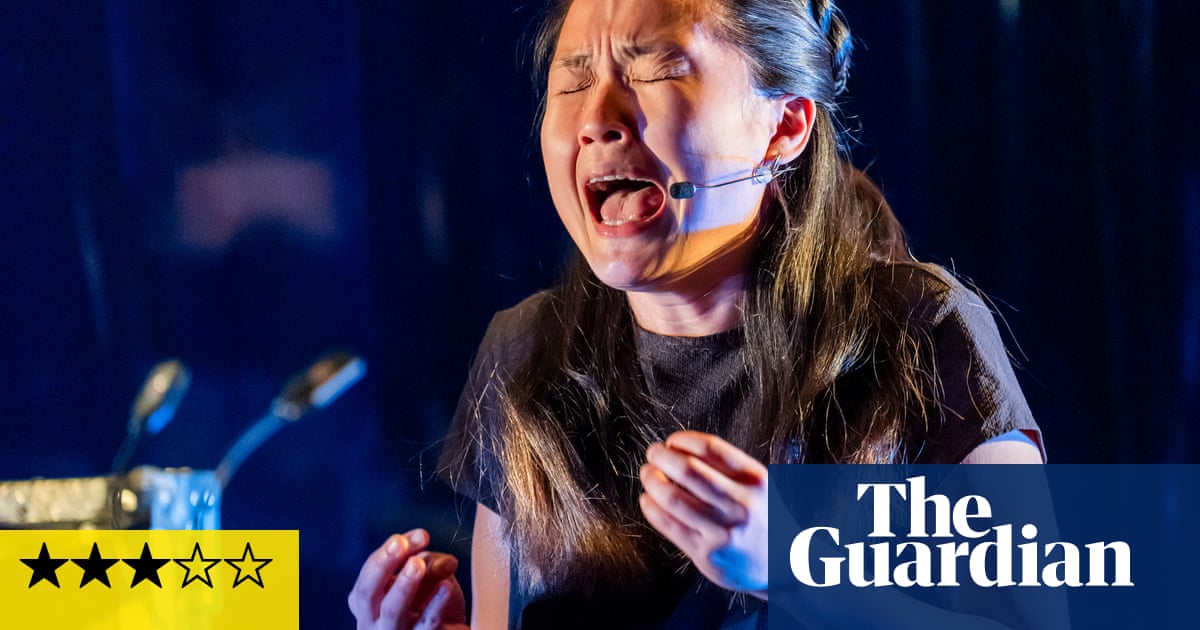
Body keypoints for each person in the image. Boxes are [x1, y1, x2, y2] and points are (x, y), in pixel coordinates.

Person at [349, 0, 1045, 627]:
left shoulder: (921, 332)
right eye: (572, 82)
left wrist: (790, 567)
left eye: (655, 71)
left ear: (785, 127)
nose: (596, 120)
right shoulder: (524, 352)